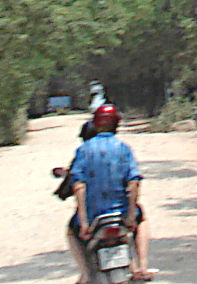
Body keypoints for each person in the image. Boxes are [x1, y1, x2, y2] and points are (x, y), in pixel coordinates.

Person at [67, 104, 153, 282]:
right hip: (120, 215)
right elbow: (134, 182)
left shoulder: (84, 150)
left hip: (94, 217)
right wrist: (130, 215)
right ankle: (142, 266)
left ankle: (84, 273)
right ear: (116, 124)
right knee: (142, 220)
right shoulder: (123, 149)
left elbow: (79, 186)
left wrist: (83, 222)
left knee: (70, 232)